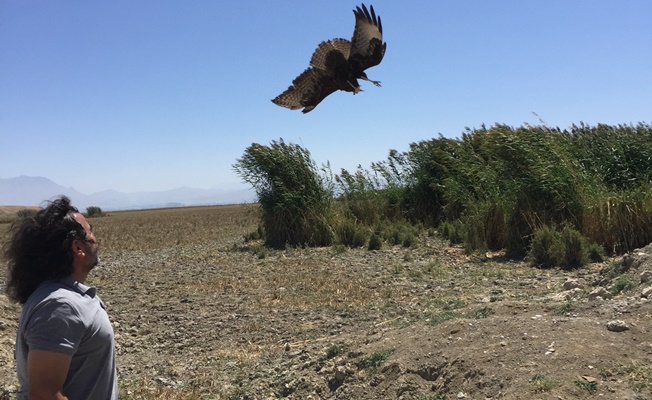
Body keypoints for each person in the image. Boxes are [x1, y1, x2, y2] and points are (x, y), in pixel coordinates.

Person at [3, 196, 117, 399]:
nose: (95, 238)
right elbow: (45, 395)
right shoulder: (61, 306)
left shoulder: (62, 297)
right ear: (77, 247)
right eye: (90, 231)